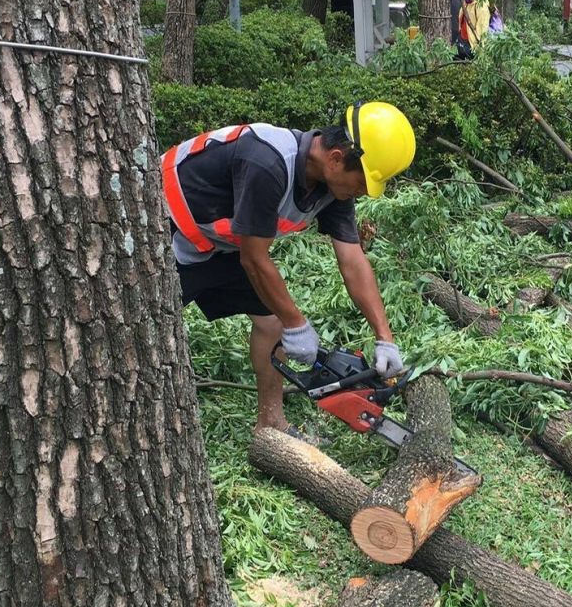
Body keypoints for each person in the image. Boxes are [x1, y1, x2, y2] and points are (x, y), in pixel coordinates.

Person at [162, 102, 416, 436]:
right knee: (146, 329)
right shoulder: (267, 162)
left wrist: (385, 338)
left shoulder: (332, 189)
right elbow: (254, 259)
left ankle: (271, 424)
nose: (363, 192)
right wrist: (298, 324)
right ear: (337, 157)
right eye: (361, 183)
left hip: (220, 243)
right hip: (165, 232)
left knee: (273, 322)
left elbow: (352, 260)